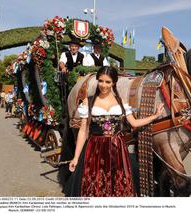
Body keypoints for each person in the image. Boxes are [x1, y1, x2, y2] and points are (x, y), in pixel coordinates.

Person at [66, 66, 164, 197]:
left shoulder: (120, 102)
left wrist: (155, 116)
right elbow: (83, 131)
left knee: (117, 185)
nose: (104, 85)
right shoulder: (88, 101)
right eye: (101, 81)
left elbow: (134, 123)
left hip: (116, 150)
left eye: (108, 82)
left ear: (113, 83)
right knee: (95, 185)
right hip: (95, 150)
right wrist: (76, 157)